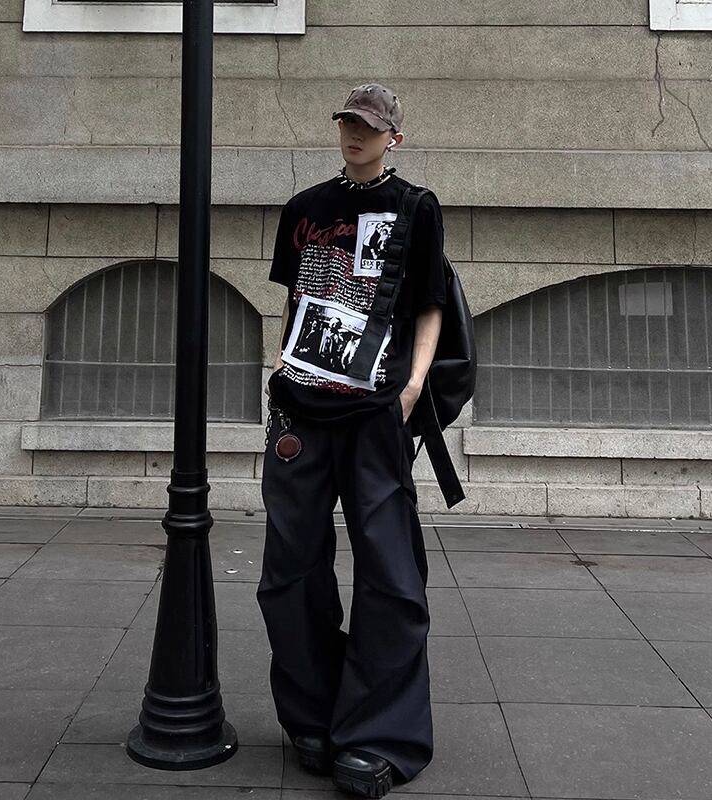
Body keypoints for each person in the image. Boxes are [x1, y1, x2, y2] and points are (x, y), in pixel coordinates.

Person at [257, 83, 447, 798]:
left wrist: (411, 388)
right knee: (289, 572)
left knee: (390, 575)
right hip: (301, 413)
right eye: (347, 123)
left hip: (375, 413)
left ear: (393, 136)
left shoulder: (416, 208)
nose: (355, 134)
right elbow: (293, 301)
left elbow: (429, 304)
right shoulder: (305, 207)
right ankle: (313, 716)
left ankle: (377, 736)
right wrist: (281, 371)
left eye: (368, 126)